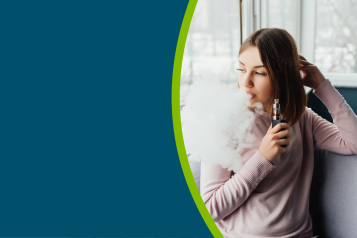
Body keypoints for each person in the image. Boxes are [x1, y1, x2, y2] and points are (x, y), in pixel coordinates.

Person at [200, 28, 357, 238]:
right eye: (241, 69)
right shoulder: (225, 121)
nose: (246, 82)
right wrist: (262, 158)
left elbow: (353, 142)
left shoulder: (302, 118)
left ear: (282, 76)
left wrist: (322, 85)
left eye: (259, 72)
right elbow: (208, 209)